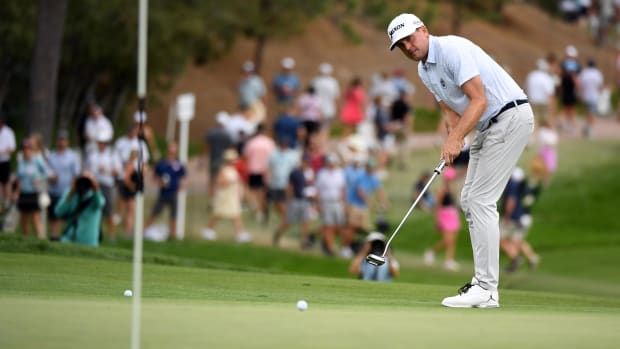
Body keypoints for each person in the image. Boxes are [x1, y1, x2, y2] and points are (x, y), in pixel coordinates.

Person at [387, 12, 534, 307]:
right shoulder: (424, 71)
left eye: (410, 38)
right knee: (469, 200)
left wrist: (456, 140)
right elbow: (450, 113)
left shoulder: (452, 49)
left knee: (480, 200)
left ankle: (487, 288)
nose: (408, 47)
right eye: (401, 45)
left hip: (509, 117)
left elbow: (478, 99)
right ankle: (484, 285)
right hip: (489, 127)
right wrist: (452, 136)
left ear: (424, 31)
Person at [499, 160, 546, 273]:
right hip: (524, 217)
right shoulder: (537, 185)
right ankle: (531, 258)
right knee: (517, 240)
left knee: (505, 239)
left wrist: (507, 215)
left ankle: (516, 259)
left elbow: (513, 200)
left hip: (518, 216)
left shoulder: (523, 184)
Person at [201, 149, 251, 243]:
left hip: (231, 195)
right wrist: (231, 182)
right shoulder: (223, 170)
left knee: (235, 215)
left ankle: (239, 233)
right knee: (219, 214)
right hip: (224, 196)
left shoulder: (233, 170)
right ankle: (209, 230)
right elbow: (221, 183)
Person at [145, 142, 186, 240]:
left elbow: (184, 178)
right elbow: (154, 176)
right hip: (163, 193)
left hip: (173, 193)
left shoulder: (179, 164)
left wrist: (180, 188)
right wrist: (160, 182)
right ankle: (145, 230)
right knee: (155, 212)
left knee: (174, 214)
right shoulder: (161, 164)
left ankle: (173, 235)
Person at [86, 131, 121, 242]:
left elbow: (117, 171)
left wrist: (106, 170)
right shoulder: (92, 154)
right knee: (94, 211)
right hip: (94, 185)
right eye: (99, 142)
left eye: (102, 142)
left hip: (107, 185)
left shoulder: (112, 155)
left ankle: (112, 237)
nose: (100, 144)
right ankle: (95, 234)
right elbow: (87, 169)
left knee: (109, 212)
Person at [423, 166, 461, 271]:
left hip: (453, 214)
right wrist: (438, 220)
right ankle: (431, 252)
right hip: (444, 215)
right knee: (447, 240)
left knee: (453, 240)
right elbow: (438, 206)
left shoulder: (453, 189)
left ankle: (448, 260)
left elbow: (453, 203)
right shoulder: (441, 190)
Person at [47, 130, 81, 240]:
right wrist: (51, 176)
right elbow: (47, 171)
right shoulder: (51, 156)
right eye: (60, 139)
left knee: (66, 217)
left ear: (67, 141)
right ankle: (54, 237)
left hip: (67, 193)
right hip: (54, 191)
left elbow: (76, 175)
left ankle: (64, 237)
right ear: (57, 141)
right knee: (54, 216)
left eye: (64, 140)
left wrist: (73, 190)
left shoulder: (72, 156)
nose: (62, 142)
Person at [55, 172, 105, 247]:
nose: (84, 184)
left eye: (88, 181)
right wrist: (71, 193)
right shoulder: (71, 193)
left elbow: (100, 204)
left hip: (90, 244)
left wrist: (96, 190)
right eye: (82, 180)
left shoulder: (95, 196)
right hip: (68, 241)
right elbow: (58, 212)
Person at [14, 139, 50, 239]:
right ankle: (26, 241)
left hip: (34, 192)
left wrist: (39, 178)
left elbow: (47, 172)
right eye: (24, 148)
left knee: (35, 218)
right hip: (23, 193)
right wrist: (17, 191)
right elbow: (18, 178)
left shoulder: (37, 160)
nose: (26, 151)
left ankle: (40, 240)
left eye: (28, 148)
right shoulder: (21, 161)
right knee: (23, 219)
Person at [315, 153, 346, 256]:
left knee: (339, 225)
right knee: (328, 225)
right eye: (330, 163)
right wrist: (317, 204)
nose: (332, 165)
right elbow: (318, 190)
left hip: (337, 202)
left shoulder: (339, 173)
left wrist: (343, 203)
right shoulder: (322, 174)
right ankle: (329, 248)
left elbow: (342, 189)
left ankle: (325, 242)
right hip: (326, 202)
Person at [243, 124, 275, 223]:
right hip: (265, 170)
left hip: (253, 169)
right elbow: (272, 157)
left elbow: (246, 156)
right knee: (262, 192)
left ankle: (255, 206)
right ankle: (260, 211)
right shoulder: (269, 143)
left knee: (252, 190)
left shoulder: (252, 142)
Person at [525, 58, 556, 127]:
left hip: (532, 101)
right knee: (547, 120)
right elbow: (550, 94)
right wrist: (552, 107)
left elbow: (526, 89)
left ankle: (535, 136)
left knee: (535, 121)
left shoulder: (531, 75)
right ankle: (550, 135)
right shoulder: (546, 77)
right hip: (543, 102)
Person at [579, 58, 604, 138]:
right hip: (594, 96)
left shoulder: (584, 73)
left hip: (585, 96)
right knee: (592, 113)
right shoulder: (597, 73)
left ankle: (587, 127)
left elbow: (580, 85)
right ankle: (590, 129)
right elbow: (600, 86)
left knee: (587, 112)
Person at [311, 63, 340, 131]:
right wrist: (338, 110)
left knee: (316, 130)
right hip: (329, 109)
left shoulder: (315, 81)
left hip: (316, 109)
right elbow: (336, 97)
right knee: (326, 129)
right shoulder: (333, 82)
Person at [238, 61, 267, 125]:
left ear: (252, 71)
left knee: (254, 124)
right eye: (245, 71)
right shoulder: (241, 82)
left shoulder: (257, 81)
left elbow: (263, 94)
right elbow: (241, 97)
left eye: (249, 71)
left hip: (255, 106)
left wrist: (262, 108)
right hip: (244, 107)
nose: (247, 73)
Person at [0, 117, 16, 206]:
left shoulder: (8, 132)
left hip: (4, 160)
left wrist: (2, 152)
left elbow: (12, 148)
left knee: (5, 183)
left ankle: (6, 203)